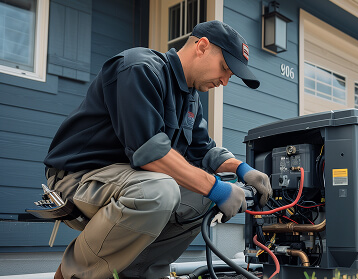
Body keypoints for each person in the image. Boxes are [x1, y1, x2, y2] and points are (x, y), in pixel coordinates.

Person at [43, 20, 272, 279]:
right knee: (161, 190)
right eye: (225, 68)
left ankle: (140, 273)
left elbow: (203, 152)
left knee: (204, 198)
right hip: (78, 178)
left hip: (130, 182)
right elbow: (149, 152)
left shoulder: (190, 97)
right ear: (202, 46)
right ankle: (73, 274)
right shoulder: (139, 68)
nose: (225, 81)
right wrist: (216, 187)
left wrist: (242, 169)